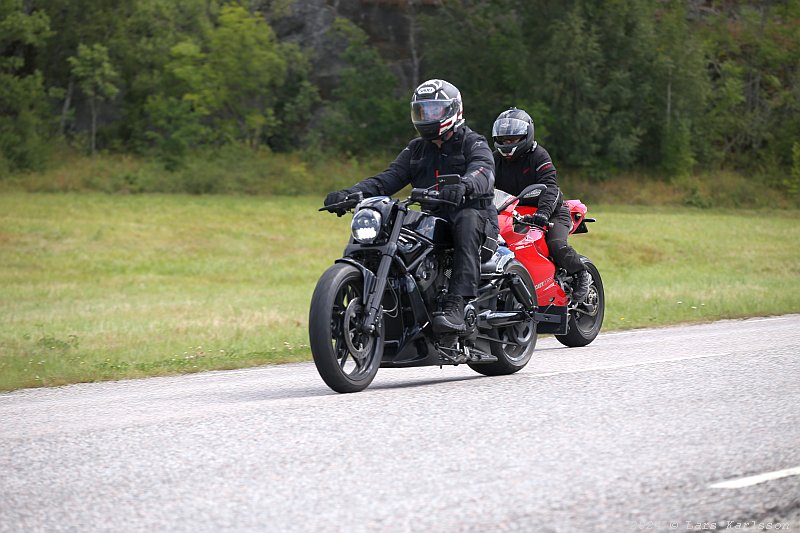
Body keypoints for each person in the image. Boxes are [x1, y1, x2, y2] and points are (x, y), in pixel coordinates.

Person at [324, 79, 496, 332]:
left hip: (479, 222)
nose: (427, 116)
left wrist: (465, 185)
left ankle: (457, 302)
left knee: (466, 219)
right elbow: (388, 179)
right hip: (435, 222)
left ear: (452, 110)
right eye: (422, 111)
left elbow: (484, 171)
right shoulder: (417, 149)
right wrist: (351, 193)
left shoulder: (472, 142)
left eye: (434, 110)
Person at [491, 107, 591, 304]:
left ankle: (581, 274)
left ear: (526, 135)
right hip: (512, 213)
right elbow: (484, 186)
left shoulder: (539, 156)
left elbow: (550, 187)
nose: (507, 143)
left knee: (556, 244)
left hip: (551, 212)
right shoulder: (494, 160)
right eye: (503, 140)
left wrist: (543, 214)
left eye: (512, 139)